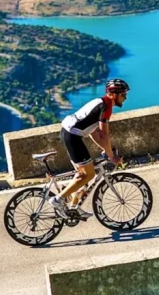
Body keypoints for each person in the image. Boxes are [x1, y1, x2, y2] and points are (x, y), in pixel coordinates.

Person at [49, 78, 129, 220]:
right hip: (72, 137)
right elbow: (104, 134)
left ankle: (74, 207)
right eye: (123, 94)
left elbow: (94, 132)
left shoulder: (100, 102)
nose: (125, 97)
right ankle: (58, 199)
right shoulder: (106, 107)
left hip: (68, 133)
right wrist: (111, 156)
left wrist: (105, 149)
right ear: (114, 94)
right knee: (89, 174)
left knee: (82, 176)